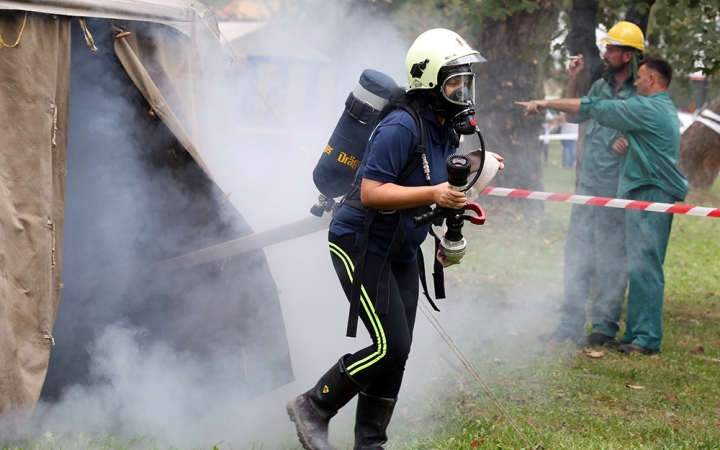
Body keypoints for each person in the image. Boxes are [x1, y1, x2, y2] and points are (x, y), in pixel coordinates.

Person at [286, 29, 505, 450]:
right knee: (390, 345)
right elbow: (372, 191)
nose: (463, 90)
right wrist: (434, 194)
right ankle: (313, 406)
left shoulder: (444, 128)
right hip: (359, 241)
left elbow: (434, 181)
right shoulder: (402, 125)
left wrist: (477, 167)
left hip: (400, 247)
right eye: (453, 81)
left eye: (466, 80)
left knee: (397, 351)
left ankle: (370, 444)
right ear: (429, 83)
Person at [516, 56, 689, 355]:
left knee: (645, 266)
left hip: (651, 192)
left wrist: (545, 103)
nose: (635, 81)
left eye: (641, 77)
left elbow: (596, 108)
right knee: (638, 265)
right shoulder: (655, 108)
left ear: (652, 80)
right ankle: (635, 335)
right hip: (643, 189)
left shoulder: (649, 106)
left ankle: (646, 339)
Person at [537, 22, 645, 347]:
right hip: (587, 187)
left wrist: (629, 142)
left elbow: (648, 132)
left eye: (612, 48)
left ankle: (604, 328)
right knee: (577, 255)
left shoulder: (640, 92)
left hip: (617, 191)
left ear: (627, 55)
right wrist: (573, 78)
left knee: (612, 259)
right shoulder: (599, 86)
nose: (606, 53)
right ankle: (569, 324)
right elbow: (574, 116)